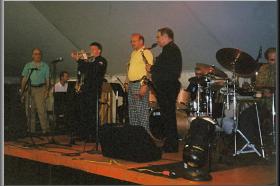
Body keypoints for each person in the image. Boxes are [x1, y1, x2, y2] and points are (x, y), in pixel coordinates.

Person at [146, 27, 182, 152]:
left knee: (169, 117)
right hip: (166, 86)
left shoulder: (171, 50)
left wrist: (152, 68)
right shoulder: (169, 50)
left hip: (168, 87)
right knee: (167, 117)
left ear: (166, 37)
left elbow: (167, 70)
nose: (157, 39)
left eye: (158, 37)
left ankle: (171, 145)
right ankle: (170, 143)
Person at [71, 42, 107, 140]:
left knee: (92, 113)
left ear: (99, 50)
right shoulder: (91, 61)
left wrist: (85, 60)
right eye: (90, 49)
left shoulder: (101, 61)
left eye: (93, 49)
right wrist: (79, 60)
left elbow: (94, 71)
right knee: (84, 112)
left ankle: (94, 136)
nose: (91, 51)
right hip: (85, 90)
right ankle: (84, 134)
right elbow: (82, 70)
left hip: (94, 90)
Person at [125, 33, 153, 130]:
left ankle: (146, 140)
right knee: (133, 114)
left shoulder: (146, 52)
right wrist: (127, 82)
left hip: (140, 84)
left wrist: (144, 86)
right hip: (132, 85)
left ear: (141, 41)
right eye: (131, 41)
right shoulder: (133, 53)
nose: (132, 43)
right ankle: (136, 139)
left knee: (142, 113)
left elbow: (149, 70)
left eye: (134, 41)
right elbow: (130, 69)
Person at [21, 48, 50, 135]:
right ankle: (31, 130)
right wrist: (22, 92)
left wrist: (47, 90)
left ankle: (45, 130)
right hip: (30, 89)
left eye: (39, 54)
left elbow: (47, 79)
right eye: (35, 54)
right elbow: (24, 79)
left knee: (42, 110)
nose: (37, 55)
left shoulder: (45, 66)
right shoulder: (28, 65)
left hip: (41, 89)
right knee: (30, 110)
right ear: (32, 55)